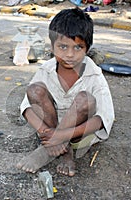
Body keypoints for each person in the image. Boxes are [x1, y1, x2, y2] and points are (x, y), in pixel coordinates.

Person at [16, 7, 115, 177]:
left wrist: (61, 135)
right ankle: (55, 148)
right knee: (34, 90)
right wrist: (46, 133)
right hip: (50, 126)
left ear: (87, 48)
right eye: (62, 47)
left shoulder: (94, 75)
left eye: (77, 48)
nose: (69, 54)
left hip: (78, 133)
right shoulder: (46, 69)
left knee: (86, 99)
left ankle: (63, 149)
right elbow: (26, 107)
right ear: (52, 46)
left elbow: (101, 120)